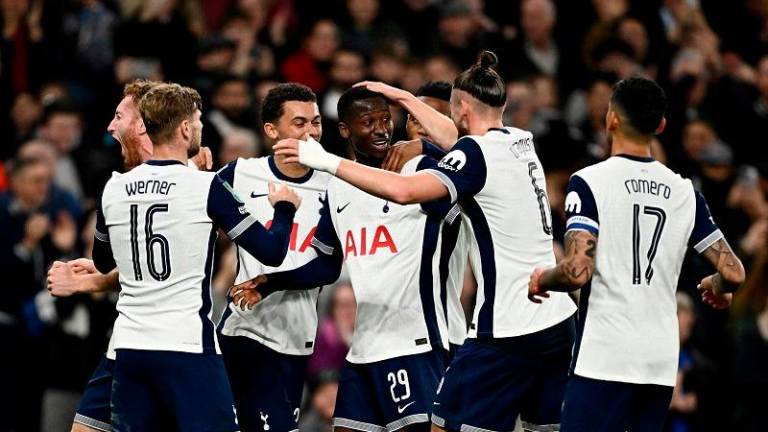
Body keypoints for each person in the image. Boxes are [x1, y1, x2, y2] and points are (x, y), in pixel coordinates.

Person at [273, 51, 577, 432]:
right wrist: (402, 97)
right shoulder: (519, 141)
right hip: (556, 320)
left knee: (442, 426)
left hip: (505, 326)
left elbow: (403, 191)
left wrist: (323, 160)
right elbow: (456, 138)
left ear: (462, 108)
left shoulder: (470, 156)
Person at [527, 77, 745, 432]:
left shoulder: (589, 182)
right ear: (660, 125)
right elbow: (734, 271)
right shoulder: (685, 192)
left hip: (605, 356)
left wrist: (543, 278)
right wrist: (716, 285)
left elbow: (577, 270)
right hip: (659, 362)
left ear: (610, 118)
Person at [241, 86, 458, 432]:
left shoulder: (420, 169)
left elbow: (467, 162)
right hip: (362, 349)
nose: (381, 129)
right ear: (345, 130)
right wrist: (271, 282)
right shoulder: (338, 187)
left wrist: (425, 144)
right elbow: (327, 263)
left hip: (414, 342)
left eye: (386, 119)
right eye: (368, 121)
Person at [90, 83, 300, 430]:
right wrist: (285, 209)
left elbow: (102, 261)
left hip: (129, 349)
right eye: (198, 120)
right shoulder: (206, 187)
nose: (201, 128)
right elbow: (272, 251)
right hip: (186, 347)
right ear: (185, 127)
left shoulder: (114, 186)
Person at [47, 79, 212, 432]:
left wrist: (90, 282)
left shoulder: (190, 183)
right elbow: (146, 265)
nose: (110, 126)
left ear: (142, 123)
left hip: (173, 346)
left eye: (119, 115)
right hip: (130, 340)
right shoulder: (128, 184)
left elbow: (167, 271)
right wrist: (96, 274)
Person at [215, 83, 339, 432]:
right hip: (244, 329)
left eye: (316, 122)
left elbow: (328, 266)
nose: (312, 132)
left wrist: (270, 283)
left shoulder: (336, 184)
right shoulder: (238, 174)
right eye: (299, 123)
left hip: (297, 338)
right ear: (271, 130)